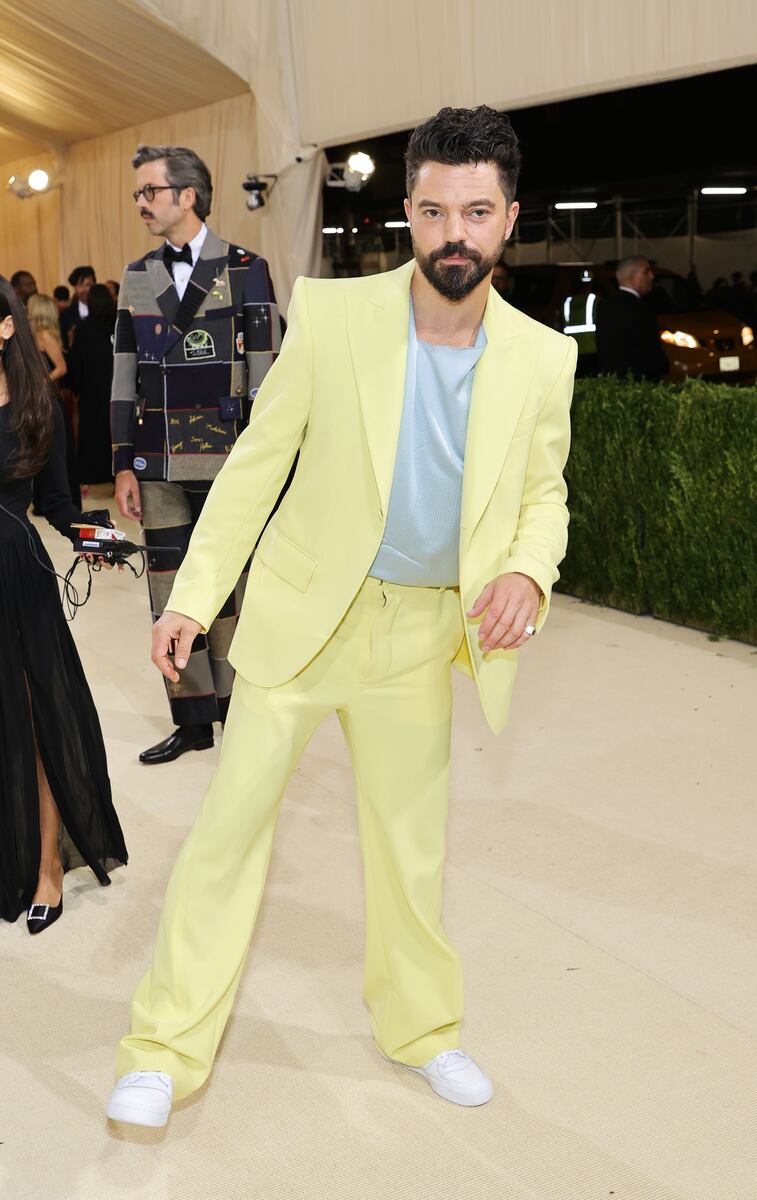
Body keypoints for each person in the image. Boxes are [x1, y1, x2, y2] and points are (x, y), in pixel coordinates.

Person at [107, 105, 575, 1128]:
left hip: (419, 632)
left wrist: (528, 577)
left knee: (410, 852)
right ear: (407, 209)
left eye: (478, 212)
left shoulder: (544, 359)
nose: (455, 232)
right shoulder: (333, 314)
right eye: (435, 209)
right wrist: (193, 596)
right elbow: (256, 464)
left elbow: (543, 495)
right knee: (228, 833)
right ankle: (163, 1048)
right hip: (300, 616)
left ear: (507, 220)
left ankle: (422, 1031)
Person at [111, 144, 281, 765]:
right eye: (138, 194)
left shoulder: (247, 268)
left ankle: (240, 714)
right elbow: (122, 374)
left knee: (232, 596)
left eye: (149, 192)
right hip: (156, 462)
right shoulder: (137, 274)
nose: (141, 204)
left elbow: (266, 374)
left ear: (188, 195)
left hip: (229, 460)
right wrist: (122, 460)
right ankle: (192, 720)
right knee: (168, 593)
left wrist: (268, 464)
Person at [0, 277, 128, 932]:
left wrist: (110, 541)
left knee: (37, 725)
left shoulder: (35, 405)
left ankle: (48, 862)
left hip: (15, 582)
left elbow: (57, 507)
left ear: (4, 327)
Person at [27, 293, 81, 508]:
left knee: (55, 451)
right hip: (41, 399)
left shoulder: (46, 335)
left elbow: (62, 368)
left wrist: (40, 381)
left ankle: (62, 501)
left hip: (49, 399)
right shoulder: (34, 334)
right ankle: (44, 500)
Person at [70, 283, 115, 489]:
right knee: (115, 430)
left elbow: (76, 362)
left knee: (93, 432)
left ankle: (93, 473)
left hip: (91, 390)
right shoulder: (119, 324)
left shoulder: (84, 328)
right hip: (117, 387)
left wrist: (76, 388)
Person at [596, 255, 669, 380]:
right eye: (646, 271)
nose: (652, 276)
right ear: (632, 277)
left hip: (613, 382)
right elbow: (650, 353)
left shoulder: (606, 306)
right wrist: (663, 366)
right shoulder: (639, 309)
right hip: (640, 383)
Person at [59, 266, 96, 348]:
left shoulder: (104, 310)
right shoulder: (66, 315)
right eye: (80, 285)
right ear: (74, 287)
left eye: (88, 285)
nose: (84, 290)